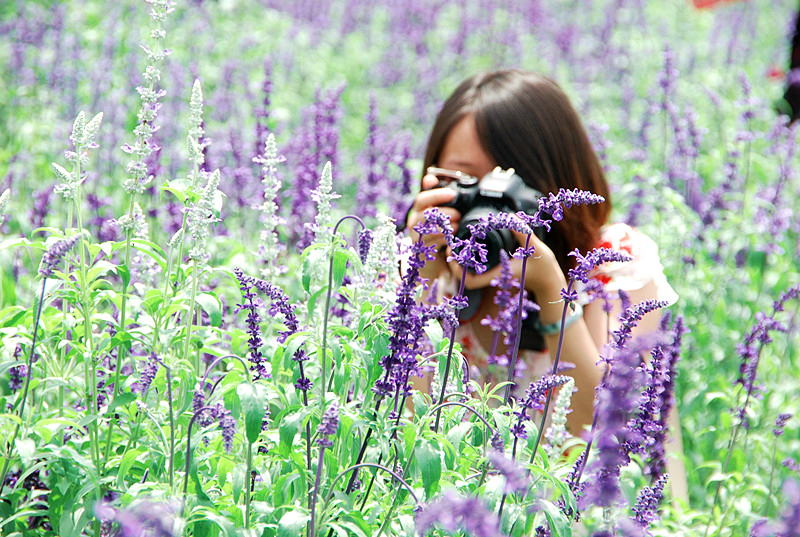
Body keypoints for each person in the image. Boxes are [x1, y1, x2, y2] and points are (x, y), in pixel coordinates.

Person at [404, 69, 687, 498]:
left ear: (554, 189)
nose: (489, 217)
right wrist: (420, 284)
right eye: (466, 185)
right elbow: (396, 443)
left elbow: (609, 440)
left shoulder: (614, 265)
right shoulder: (405, 266)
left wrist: (553, 292)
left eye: (502, 191)